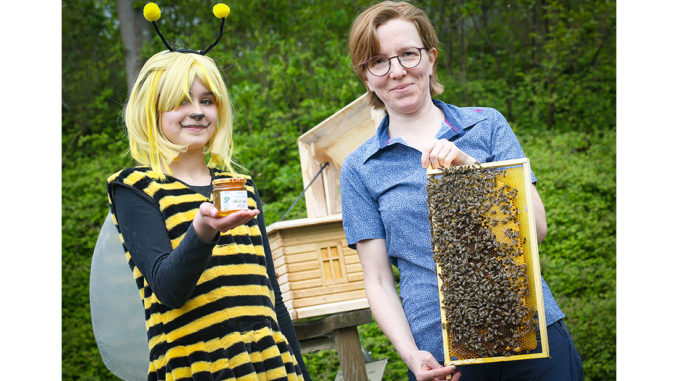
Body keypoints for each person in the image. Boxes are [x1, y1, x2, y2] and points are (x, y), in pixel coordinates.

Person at [340, 2, 584, 381]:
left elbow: (536, 230)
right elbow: (378, 281)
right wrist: (410, 355)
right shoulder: (361, 167)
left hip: (533, 335)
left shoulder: (487, 125)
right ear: (366, 77)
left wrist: (469, 168)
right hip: (444, 359)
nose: (398, 71)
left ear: (431, 58)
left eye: (408, 54)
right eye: (379, 61)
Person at [105, 3, 309, 380]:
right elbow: (169, 289)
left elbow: (271, 295)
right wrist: (202, 233)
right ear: (152, 112)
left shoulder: (239, 186)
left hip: (268, 365)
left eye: (207, 100)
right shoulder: (136, 189)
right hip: (198, 367)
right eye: (181, 101)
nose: (197, 111)